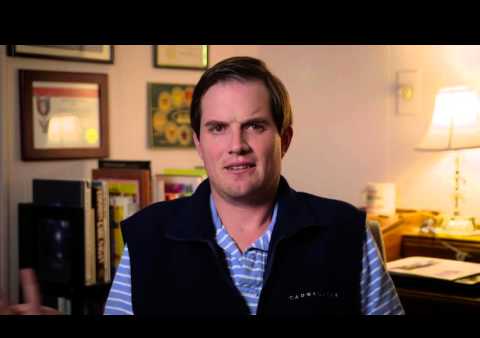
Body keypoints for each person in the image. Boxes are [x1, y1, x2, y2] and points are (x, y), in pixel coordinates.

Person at [104, 56, 404, 316]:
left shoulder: (345, 232)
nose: (237, 145)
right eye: (218, 128)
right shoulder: (147, 237)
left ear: (284, 140)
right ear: (199, 143)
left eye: (255, 126)